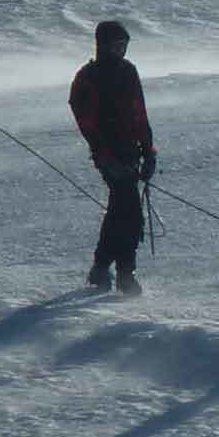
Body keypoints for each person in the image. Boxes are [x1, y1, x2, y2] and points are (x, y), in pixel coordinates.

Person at [68, 20, 156, 295]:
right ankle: (124, 273)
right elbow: (86, 121)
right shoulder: (88, 77)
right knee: (129, 210)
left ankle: (101, 267)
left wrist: (148, 149)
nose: (122, 50)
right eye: (117, 45)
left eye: (124, 45)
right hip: (108, 155)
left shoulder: (129, 72)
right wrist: (105, 155)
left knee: (122, 209)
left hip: (131, 152)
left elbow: (140, 113)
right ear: (103, 45)